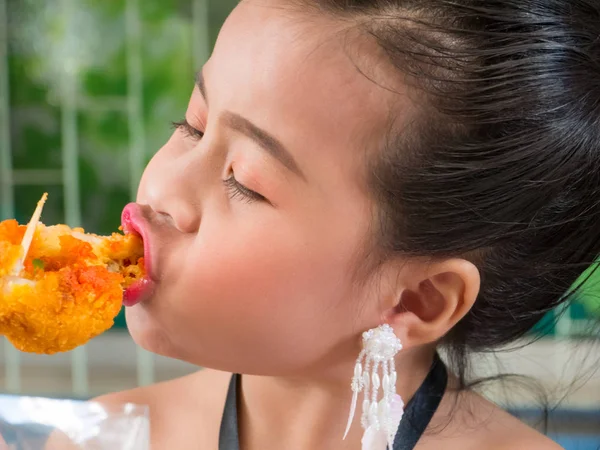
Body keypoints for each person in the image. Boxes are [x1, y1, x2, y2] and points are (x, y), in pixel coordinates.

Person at [87, 0, 600, 448]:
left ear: (417, 298)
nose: (163, 191)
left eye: (245, 181)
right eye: (193, 126)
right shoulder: (92, 439)